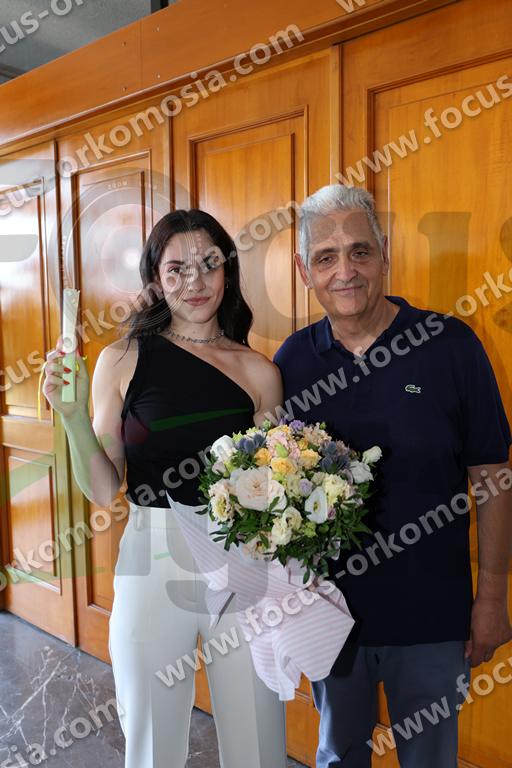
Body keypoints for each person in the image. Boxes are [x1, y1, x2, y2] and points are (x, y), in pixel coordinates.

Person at [273, 184, 512, 768]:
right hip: (330, 619)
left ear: (385, 253)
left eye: (360, 251)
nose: (345, 272)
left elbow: (493, 477)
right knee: (339, 756)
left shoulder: (450, 346)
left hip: (433, 617)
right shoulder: (291, 363)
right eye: (326, 257)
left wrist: (492, 598)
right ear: (304, 271)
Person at [43, 209, 288, 768]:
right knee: (151, 741)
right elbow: (103, 489)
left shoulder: (260, 373)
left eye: (209, 264)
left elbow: (276, 488)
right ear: (155, 279)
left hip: (243, 557)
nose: (194, 281)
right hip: (152, 559)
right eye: (176, 268)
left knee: (257, 741)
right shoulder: (121, 360)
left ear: (228, 271)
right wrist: (73, 417)